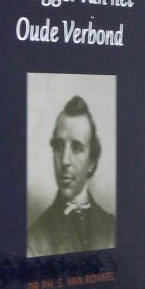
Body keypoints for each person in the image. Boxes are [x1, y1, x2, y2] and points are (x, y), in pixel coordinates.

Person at [27, 95, 115, 257]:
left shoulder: (113, 228)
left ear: (91, 162)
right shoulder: (34, 241)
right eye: (59, 147)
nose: (65, 160)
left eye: (76, 148)